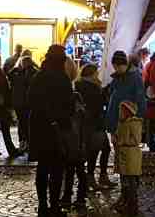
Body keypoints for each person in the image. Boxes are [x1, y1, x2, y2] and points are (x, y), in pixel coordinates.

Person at [29, 45, 74, 217]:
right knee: (56, 170)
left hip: (40, 128)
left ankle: (42, 206)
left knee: (42, 168)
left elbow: (31, 101)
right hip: (57, 130)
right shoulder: (62, 78)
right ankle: (54, 206)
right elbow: (68, 106)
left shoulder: (38, 76)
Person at [106, 51, 146, 217]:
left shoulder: (134, 78)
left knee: (129, 163)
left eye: (118, 65)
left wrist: (137, 121)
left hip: (128, 126)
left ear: (123, 64)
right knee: (123, 163)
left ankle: (131, 202)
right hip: (118, 125)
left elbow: (140, 102)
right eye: (115, 65)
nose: (116, 68)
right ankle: (125, 198)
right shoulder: (118, 78)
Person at [76, 63, 115, 190]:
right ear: (92, 74)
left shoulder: (79, 85)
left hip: (87, 123)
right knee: (95, 151)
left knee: (100, 149)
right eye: (96, 73)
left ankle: (96, 177)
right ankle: (92, 178)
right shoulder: (92, 87)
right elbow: (99, 103)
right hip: (95, 124)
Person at [59, 67, 88, 212]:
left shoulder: (76, 110)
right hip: (72, 146)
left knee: (77, 173)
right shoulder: (74, 109)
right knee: (72, 173)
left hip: (76, 146)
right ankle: (70, 196)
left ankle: (78, 197)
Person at [9, 51, 38, 152]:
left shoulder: (24, 72)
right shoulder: (21, 72)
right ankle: (25, 142)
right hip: (22, 102)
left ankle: (25, 142)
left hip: (23, 102)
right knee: (23, 122)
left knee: (23, 123)